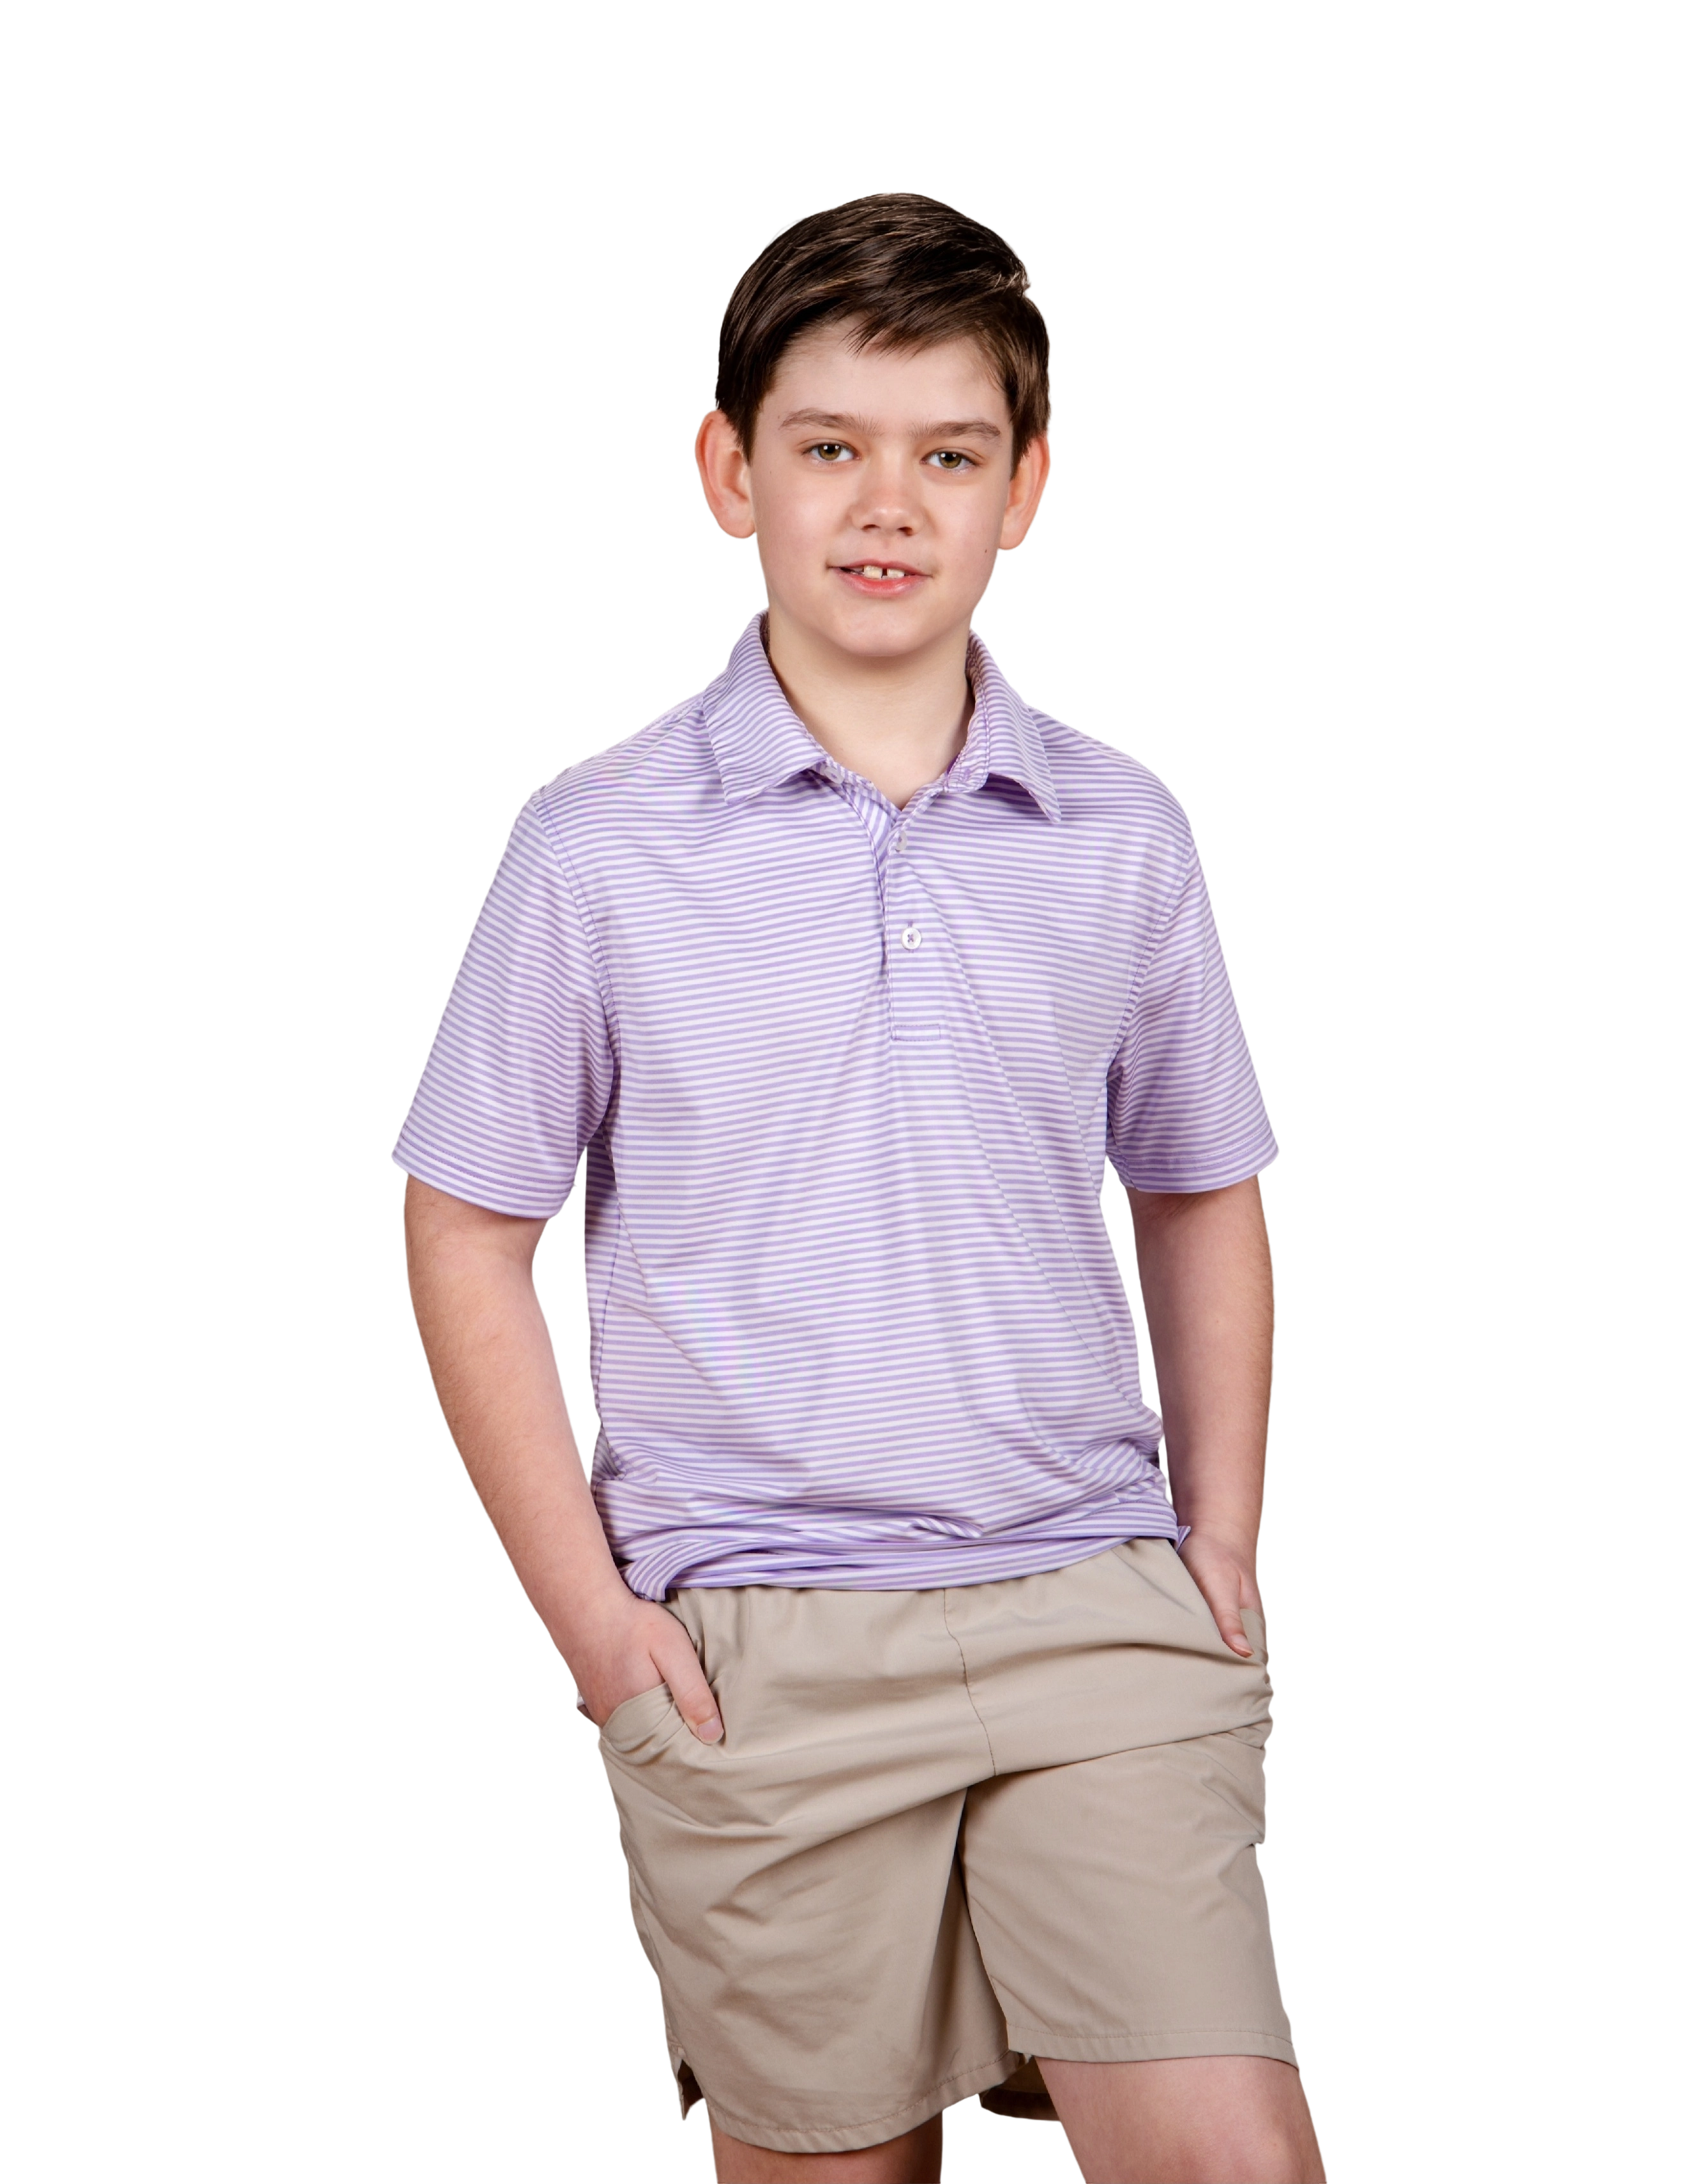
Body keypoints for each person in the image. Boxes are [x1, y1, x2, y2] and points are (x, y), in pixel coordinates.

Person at [391, 190, 1328, 2184]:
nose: (888, 503)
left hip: (1091, 1599)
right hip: (760, 1641)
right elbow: (464, 1227)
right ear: (731, 470)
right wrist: (596, 1625)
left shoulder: (1121, 827)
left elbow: (1199, 1186)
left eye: (950, 454)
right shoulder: (596, 846)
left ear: (1027, 488)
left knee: (1234, 2156)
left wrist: (1224, 1540)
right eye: (830, 445)